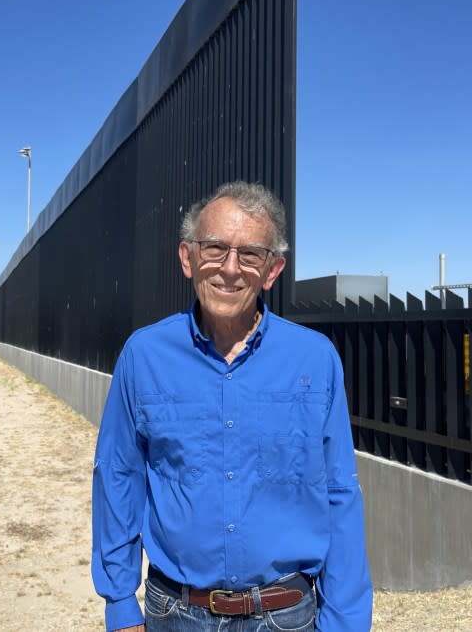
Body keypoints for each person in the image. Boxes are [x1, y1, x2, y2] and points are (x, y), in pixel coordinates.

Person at [91, 181, 373, 631]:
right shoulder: (144, 356)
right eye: (215, 248)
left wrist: (346, 620)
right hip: (175, 614)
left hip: (285, 616)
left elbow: (339, 491)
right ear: (187, 257)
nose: (229, 268)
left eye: (250, 254)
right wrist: (120, 602)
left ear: (272, 270)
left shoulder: (315, 359)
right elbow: (119, 476)